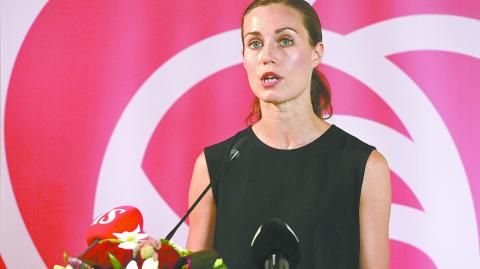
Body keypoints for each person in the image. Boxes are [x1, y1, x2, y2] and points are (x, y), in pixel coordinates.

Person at [186, 0, 391, 268]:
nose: (267, 56)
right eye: (255, 44)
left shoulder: (365, 166)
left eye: (284, 41)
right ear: (244, 57)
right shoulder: (214, 165)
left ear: (316, 53)